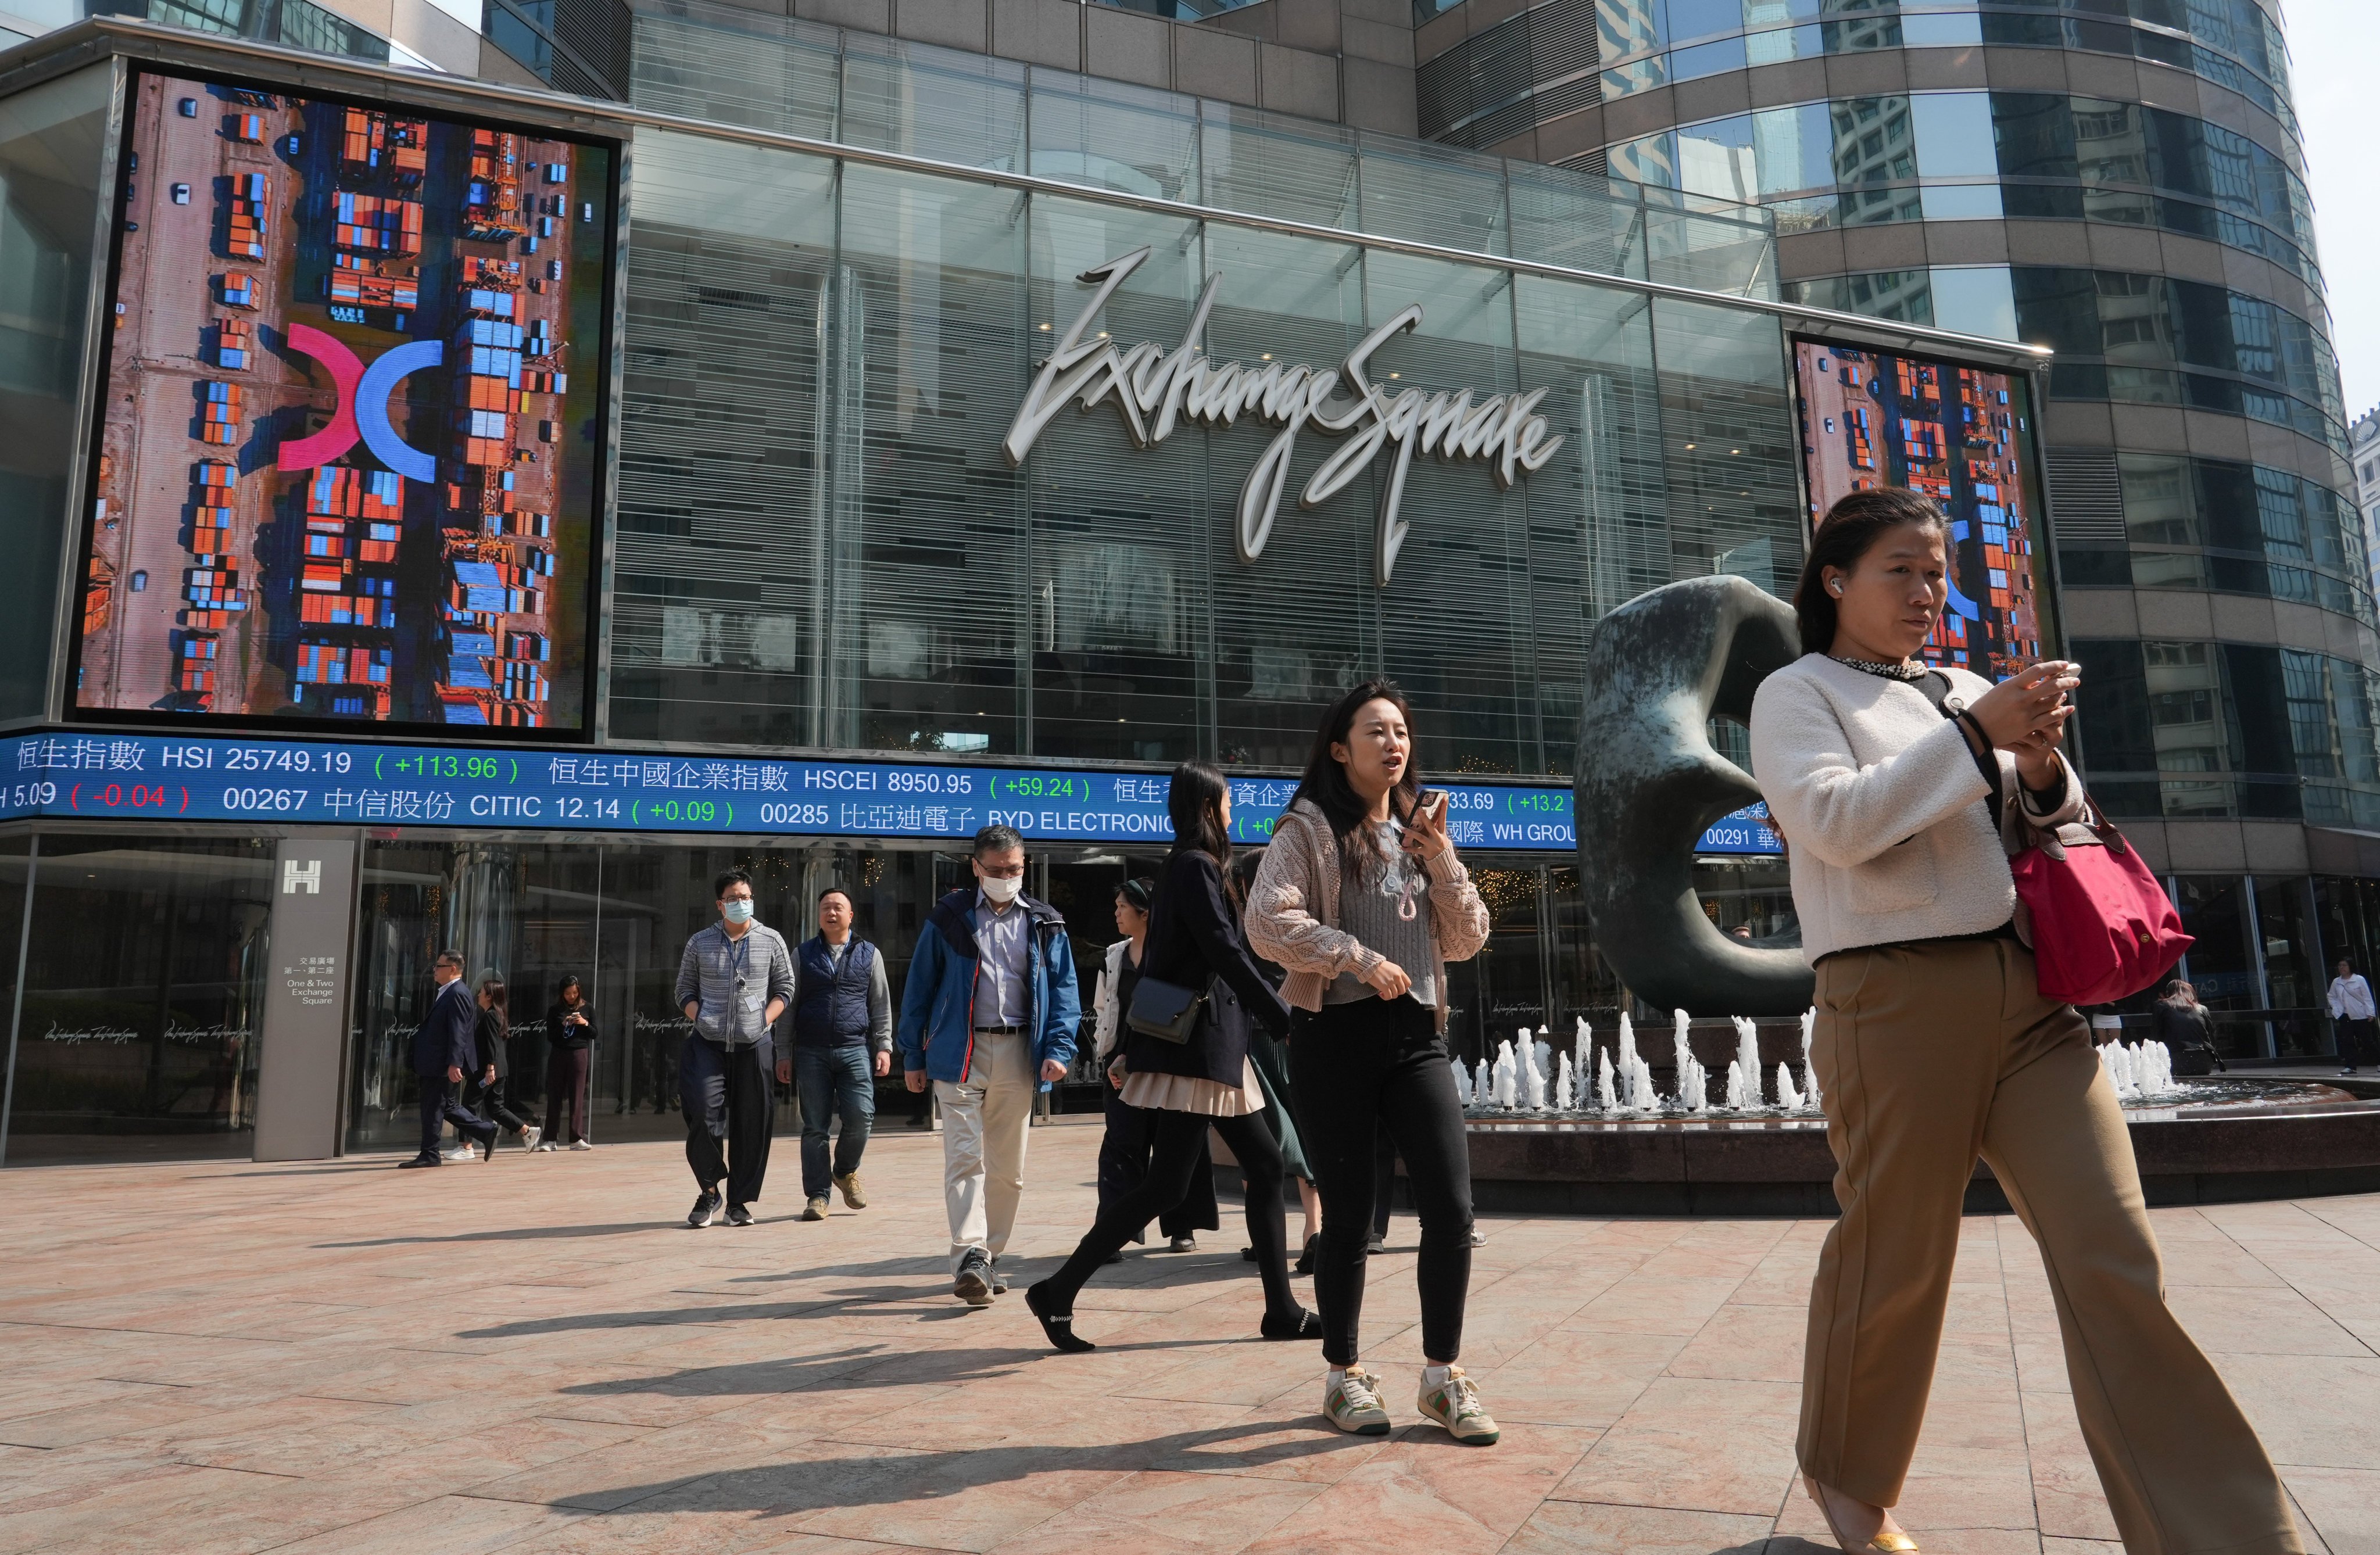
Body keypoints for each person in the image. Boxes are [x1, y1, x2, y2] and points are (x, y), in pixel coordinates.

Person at [1748, 485, 2303, 1553]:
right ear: (1835, 581)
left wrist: (2041, 770)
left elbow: (2066, 826)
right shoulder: (1797, 692)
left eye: (1936, 569)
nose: (1927, 589)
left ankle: (2224, 1535)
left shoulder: (1964, 685)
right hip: (1894, 997)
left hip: (2038, 1001)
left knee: (2113, 1256)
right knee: (1897, 1255)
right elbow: (1834, 824)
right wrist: (1975, 736)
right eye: (1899, 569)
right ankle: (1849, 1481)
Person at [1246, 680, 1499, 1447]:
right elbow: (1266, 921)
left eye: (1400, 732)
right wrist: (1353, 956)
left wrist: (1444, 861)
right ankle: (1343, 1375)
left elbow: (1465, 939)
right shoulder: (1309, 829)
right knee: (1349, 1217)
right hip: (1335, 1038)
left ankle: (1441, 1377)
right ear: (1338, 748)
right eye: (1375, 732)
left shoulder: (1419, 833)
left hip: (1416, 1035)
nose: (1393, 744)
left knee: (1451, 1208)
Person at [1027, 763, 1316, 1352]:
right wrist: (1283, 1018)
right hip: (1199, 1050)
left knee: (1242, 1171)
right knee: (1178, 1184)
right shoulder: (1193, 866)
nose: (1234, 810)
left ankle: (1280, 1308)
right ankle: (1058, 1290)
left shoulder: (1190, 867)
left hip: (1210, 1048)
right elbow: (1223, 950)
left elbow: (1193, 957)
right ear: (1209, 807)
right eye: (1228, 801)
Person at [898, 825, 1081, 1306]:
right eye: (996, 870)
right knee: (964, 1159)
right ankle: (970, 1256)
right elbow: (918, 989)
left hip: (1019, 1053)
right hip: (959, 1054)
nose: (1006, 877)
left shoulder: (1046, 922)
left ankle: (990, 1256)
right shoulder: (949, 918)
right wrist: (912, 1055)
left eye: (1014, 870)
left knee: (1008, 1171)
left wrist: (1059, 1050)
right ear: (975, 867)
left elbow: (1064, 993)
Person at [1091, 876, 1218, 1260]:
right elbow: (1103, 1006)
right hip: (1120, 1062)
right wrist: (1108, 1052)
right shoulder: (1113, 956)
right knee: (1120, 1145)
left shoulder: (1173, 953)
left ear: (1145, 913)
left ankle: (1181, 1227)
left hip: (1168, 1061)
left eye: (1122, 908)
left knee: (1175, 1145)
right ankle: (1112, 1230)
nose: (1116, 914)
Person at [675, 868, 796, 1228]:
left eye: (745, 897)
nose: (741, 903)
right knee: (702, 1113)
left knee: (752, 1123)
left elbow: (785, 987)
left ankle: (739, 1202)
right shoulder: (700, 942)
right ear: (719, 904)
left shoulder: (771, 940)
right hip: (707, 1045)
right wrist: (701, 1016)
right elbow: (683, 989)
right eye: (733, 898)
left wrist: (765, 1020)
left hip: (755, 1044)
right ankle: (710, 1190)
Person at [785, 886, 893, 1221]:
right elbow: (788, 1007)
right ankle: (818, 1196)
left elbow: (880, 1004)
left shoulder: (869, 953)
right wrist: (781, 1053)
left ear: (851, 916)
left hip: (854, 1048)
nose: (831, 913)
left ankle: (845, 1170)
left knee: (861, 1117)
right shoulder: (802, 955)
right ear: (819, 916)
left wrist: (885, 1045)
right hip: (811, 1051)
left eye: (838, 908)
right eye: (825, 908)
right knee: (815, 1127)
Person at [400, 950, 496, 1168]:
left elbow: (459, 1031)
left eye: (439, 966)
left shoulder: (458, 993)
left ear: (453, 969)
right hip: (436, 1062)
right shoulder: (448, 991)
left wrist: (455, 1062)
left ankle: (430, 1154)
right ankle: (486, 1131)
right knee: (446, 1106)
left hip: (441, 1063)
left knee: (433, 1108)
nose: (434, 970)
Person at [470, 973, 541, 1155]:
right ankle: (527, 1131)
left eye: (482, 992)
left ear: (489, 997)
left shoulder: (490, 1016)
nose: (478, 994)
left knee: (469, 1105)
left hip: (489, 1071)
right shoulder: (496, 1015)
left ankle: (465, 1147)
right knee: (495, 1109)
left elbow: (493, 1043)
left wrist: (490, 1068)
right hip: (498, 1070)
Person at [541, 974, 595, 1151]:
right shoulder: (555, 1010)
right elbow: (550, 1036)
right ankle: (550, 1139)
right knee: (555, 1095)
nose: (571, 996)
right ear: (561, 994)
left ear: (579, 991)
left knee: (577, 1095)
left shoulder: (588, 1008)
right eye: (567, 993)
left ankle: (576, 1138)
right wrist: (564, 1023)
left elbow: (595, 1033)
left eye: (574, 992)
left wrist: (584, 1023)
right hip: (559, 1053)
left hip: (579, 1053)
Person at [2153, 979, 2221, 1077]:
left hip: (2175, 1061)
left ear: (2169, 993)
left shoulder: (2161, 1006)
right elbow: (2211, 1038)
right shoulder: (2202, 1009)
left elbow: (2156, 1036)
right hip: (2204, 1062)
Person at [2327, 958, 2375, 1076]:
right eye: (2340, 966)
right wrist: (2337, 1009)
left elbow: (2367, 996)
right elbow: (2331, 996)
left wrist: (2370, 1012)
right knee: (2347, 1040)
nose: (2342, 968)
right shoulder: (2336, 982)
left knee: (2367, 1040)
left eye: (2344, 965)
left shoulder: (2359, 980)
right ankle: (2351, 1066)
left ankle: (2378, 1061)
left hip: (2360, 1014)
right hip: (2345, 1015)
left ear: (2350, 967)